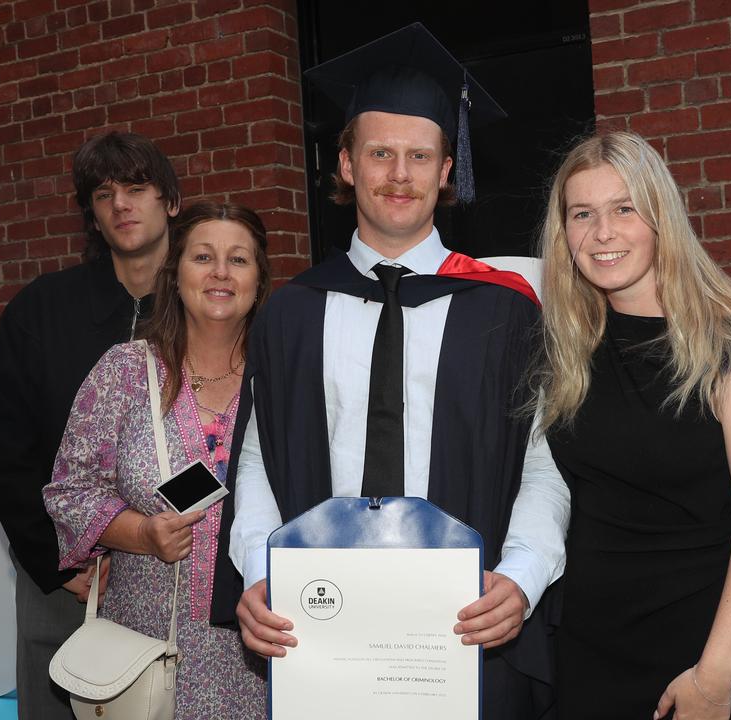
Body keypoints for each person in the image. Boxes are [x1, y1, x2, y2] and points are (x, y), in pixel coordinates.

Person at [214, 23, 569, 719]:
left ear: (446, 169)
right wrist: (262, 573)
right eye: (379, 153)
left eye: (418, 156)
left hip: (468, 624)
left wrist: (522, 580)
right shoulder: (291, 313)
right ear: (346, 165)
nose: (398, 175)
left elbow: (545, 464)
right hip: (322, 630)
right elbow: (256, 464)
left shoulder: (507, 312)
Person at [534, 131, 731, 720]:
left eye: (624, 208)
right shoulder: (565, 353)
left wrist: (715, 678)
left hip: (699, 651)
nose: (603, 232)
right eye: (583, 214)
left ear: (660, 218)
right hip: (590, 651)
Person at [0, 131, 180, 718]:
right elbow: (6, 454)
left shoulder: (210, 306)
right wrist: (60, 562)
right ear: (92, 216)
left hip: (179, 573)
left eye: (137, 188)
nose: (120, 204)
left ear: (170, 201)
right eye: (103, 194)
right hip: (69, 575)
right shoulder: (38, 312)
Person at [43, 202, 271, 716]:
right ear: (176, 274)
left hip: (260, 652)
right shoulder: (124, 373)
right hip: (146, 653)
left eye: (238, 260)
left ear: (259, 279)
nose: (219, 272)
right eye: (202, 257)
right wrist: (142, 534)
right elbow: (70, 490)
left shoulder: (284, 382)